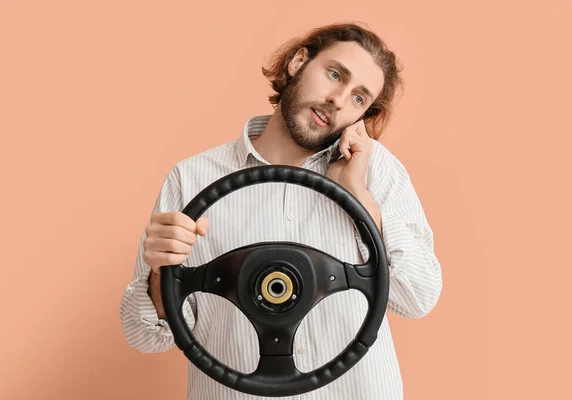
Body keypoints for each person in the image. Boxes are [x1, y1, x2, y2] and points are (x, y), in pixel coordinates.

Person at [120, 22, 442, 400]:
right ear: (298, 61)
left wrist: (358, 195)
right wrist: (161, 272)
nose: (339, 100)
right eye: (335, 74)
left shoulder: (376, 170)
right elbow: (145, 338)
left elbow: (417, 298)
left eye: (359, 98)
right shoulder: (191, 178)